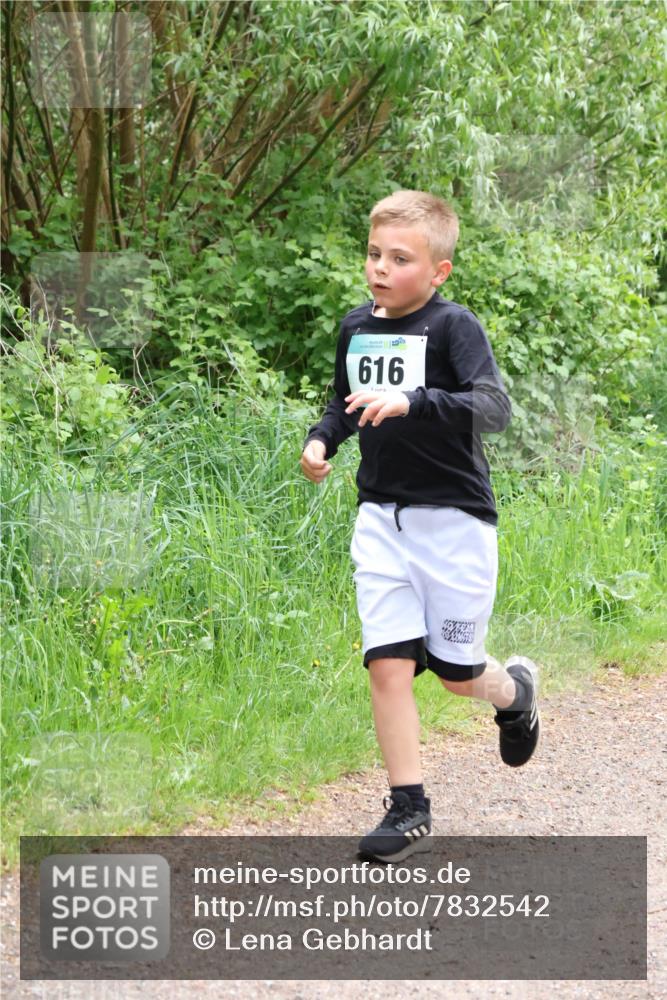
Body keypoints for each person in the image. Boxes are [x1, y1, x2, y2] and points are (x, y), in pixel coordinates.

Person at [300, 190, 540, 863]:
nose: (379, 267)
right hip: (379, 519)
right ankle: (408, 808)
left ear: (437, 271)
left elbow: (492, 407)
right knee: (388, 664)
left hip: (455, 522)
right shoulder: (355, 327)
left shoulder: (452, 326)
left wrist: (413, 400)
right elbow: (343, 406)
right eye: (374, 253)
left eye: (399, 258)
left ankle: (514, 692)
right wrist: (322, 441)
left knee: (458, 673)